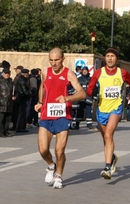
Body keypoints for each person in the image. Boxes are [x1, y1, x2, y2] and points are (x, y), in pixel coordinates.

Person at [34, 48, 86, 189]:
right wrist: (39, 102)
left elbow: (82, 94)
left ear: (63, 59)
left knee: (59, 151)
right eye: (51, 60)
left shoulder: (69, 74)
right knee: (43, 150)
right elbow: (42, 87)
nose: (53, 63)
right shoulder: (45, 72)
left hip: (63, 116)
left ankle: (58, 176)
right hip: (46, 115)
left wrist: (67, 98)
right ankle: (51, 166)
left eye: (56, 60)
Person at [86, 47, 130, 179]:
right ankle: (112, 157)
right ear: (105, 58)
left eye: (112, 56)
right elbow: (90, 88)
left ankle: (107, 167)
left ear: (117, 59)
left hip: (116, 107)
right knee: (105, 138)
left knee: (109, 134)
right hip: (102, 108)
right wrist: (91, 93)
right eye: (107, 56)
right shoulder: (99, 73)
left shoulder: (122, 73)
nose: (109, 58)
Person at [0, 68, 15, 138]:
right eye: (5, 73)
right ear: (3, 73)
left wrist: (13, 96)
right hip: (1, 104)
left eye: (8, 73)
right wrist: (1, 100)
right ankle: (0, 132)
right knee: (0, 119)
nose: (7, 74)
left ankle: (6, 131)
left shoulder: (11, 81)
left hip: (9, 103)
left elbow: (13, 91)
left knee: (8, 119)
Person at [15, 68, 31, 133]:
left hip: (20, 98)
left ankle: (20, 127)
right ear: (25, 74)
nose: (28, 75)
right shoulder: (23, 81)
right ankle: (20, 127)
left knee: (21, 113)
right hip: (22, 98)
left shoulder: (21, 79)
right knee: (22, 114)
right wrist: (31, 92)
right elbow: (25, 91)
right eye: (27, 73)